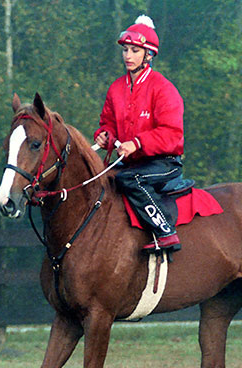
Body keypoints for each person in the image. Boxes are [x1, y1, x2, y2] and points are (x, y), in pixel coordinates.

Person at [94, 15, 185, 253]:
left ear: (149, 55)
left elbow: (172, 135)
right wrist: (105, 135)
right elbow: (108, 123)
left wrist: (136, 143)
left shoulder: (164, 89)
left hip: (164, 163)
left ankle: (165, 231)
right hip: (131, 163)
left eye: (135, 50)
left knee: (127, 180)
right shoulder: (116, 88)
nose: (127, 56)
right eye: (125, 50)